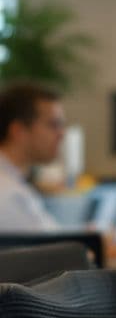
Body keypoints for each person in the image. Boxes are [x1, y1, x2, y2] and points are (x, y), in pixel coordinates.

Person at [0, 83, 66, 235]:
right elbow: (51, 253)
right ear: (18, 131)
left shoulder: (14, 182)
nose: (61, 134)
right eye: (53, 125)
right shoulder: (8, 194)